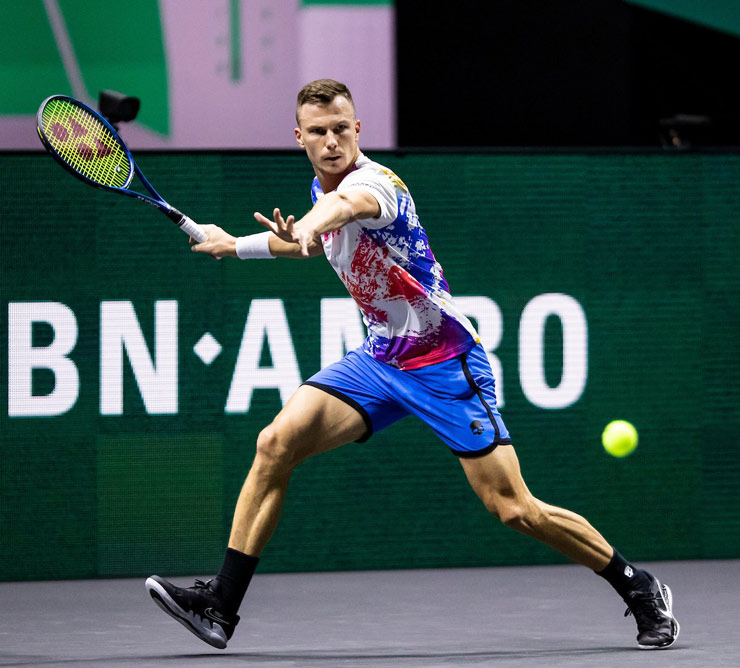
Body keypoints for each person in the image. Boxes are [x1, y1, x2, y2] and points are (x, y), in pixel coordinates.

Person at [145, 79, 679, 651]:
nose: (332, 141)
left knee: (514, 509)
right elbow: (312, 240)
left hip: (444, 362)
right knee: (275, 443)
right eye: (319, 132)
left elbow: (337, 212)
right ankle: (221, 605)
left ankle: (637, 584)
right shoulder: (320, 188)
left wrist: (306, 225)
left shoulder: (376, 185)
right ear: (300, 137)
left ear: (358, 129)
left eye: (342, 129)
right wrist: (236, 244)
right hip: (380, 358)